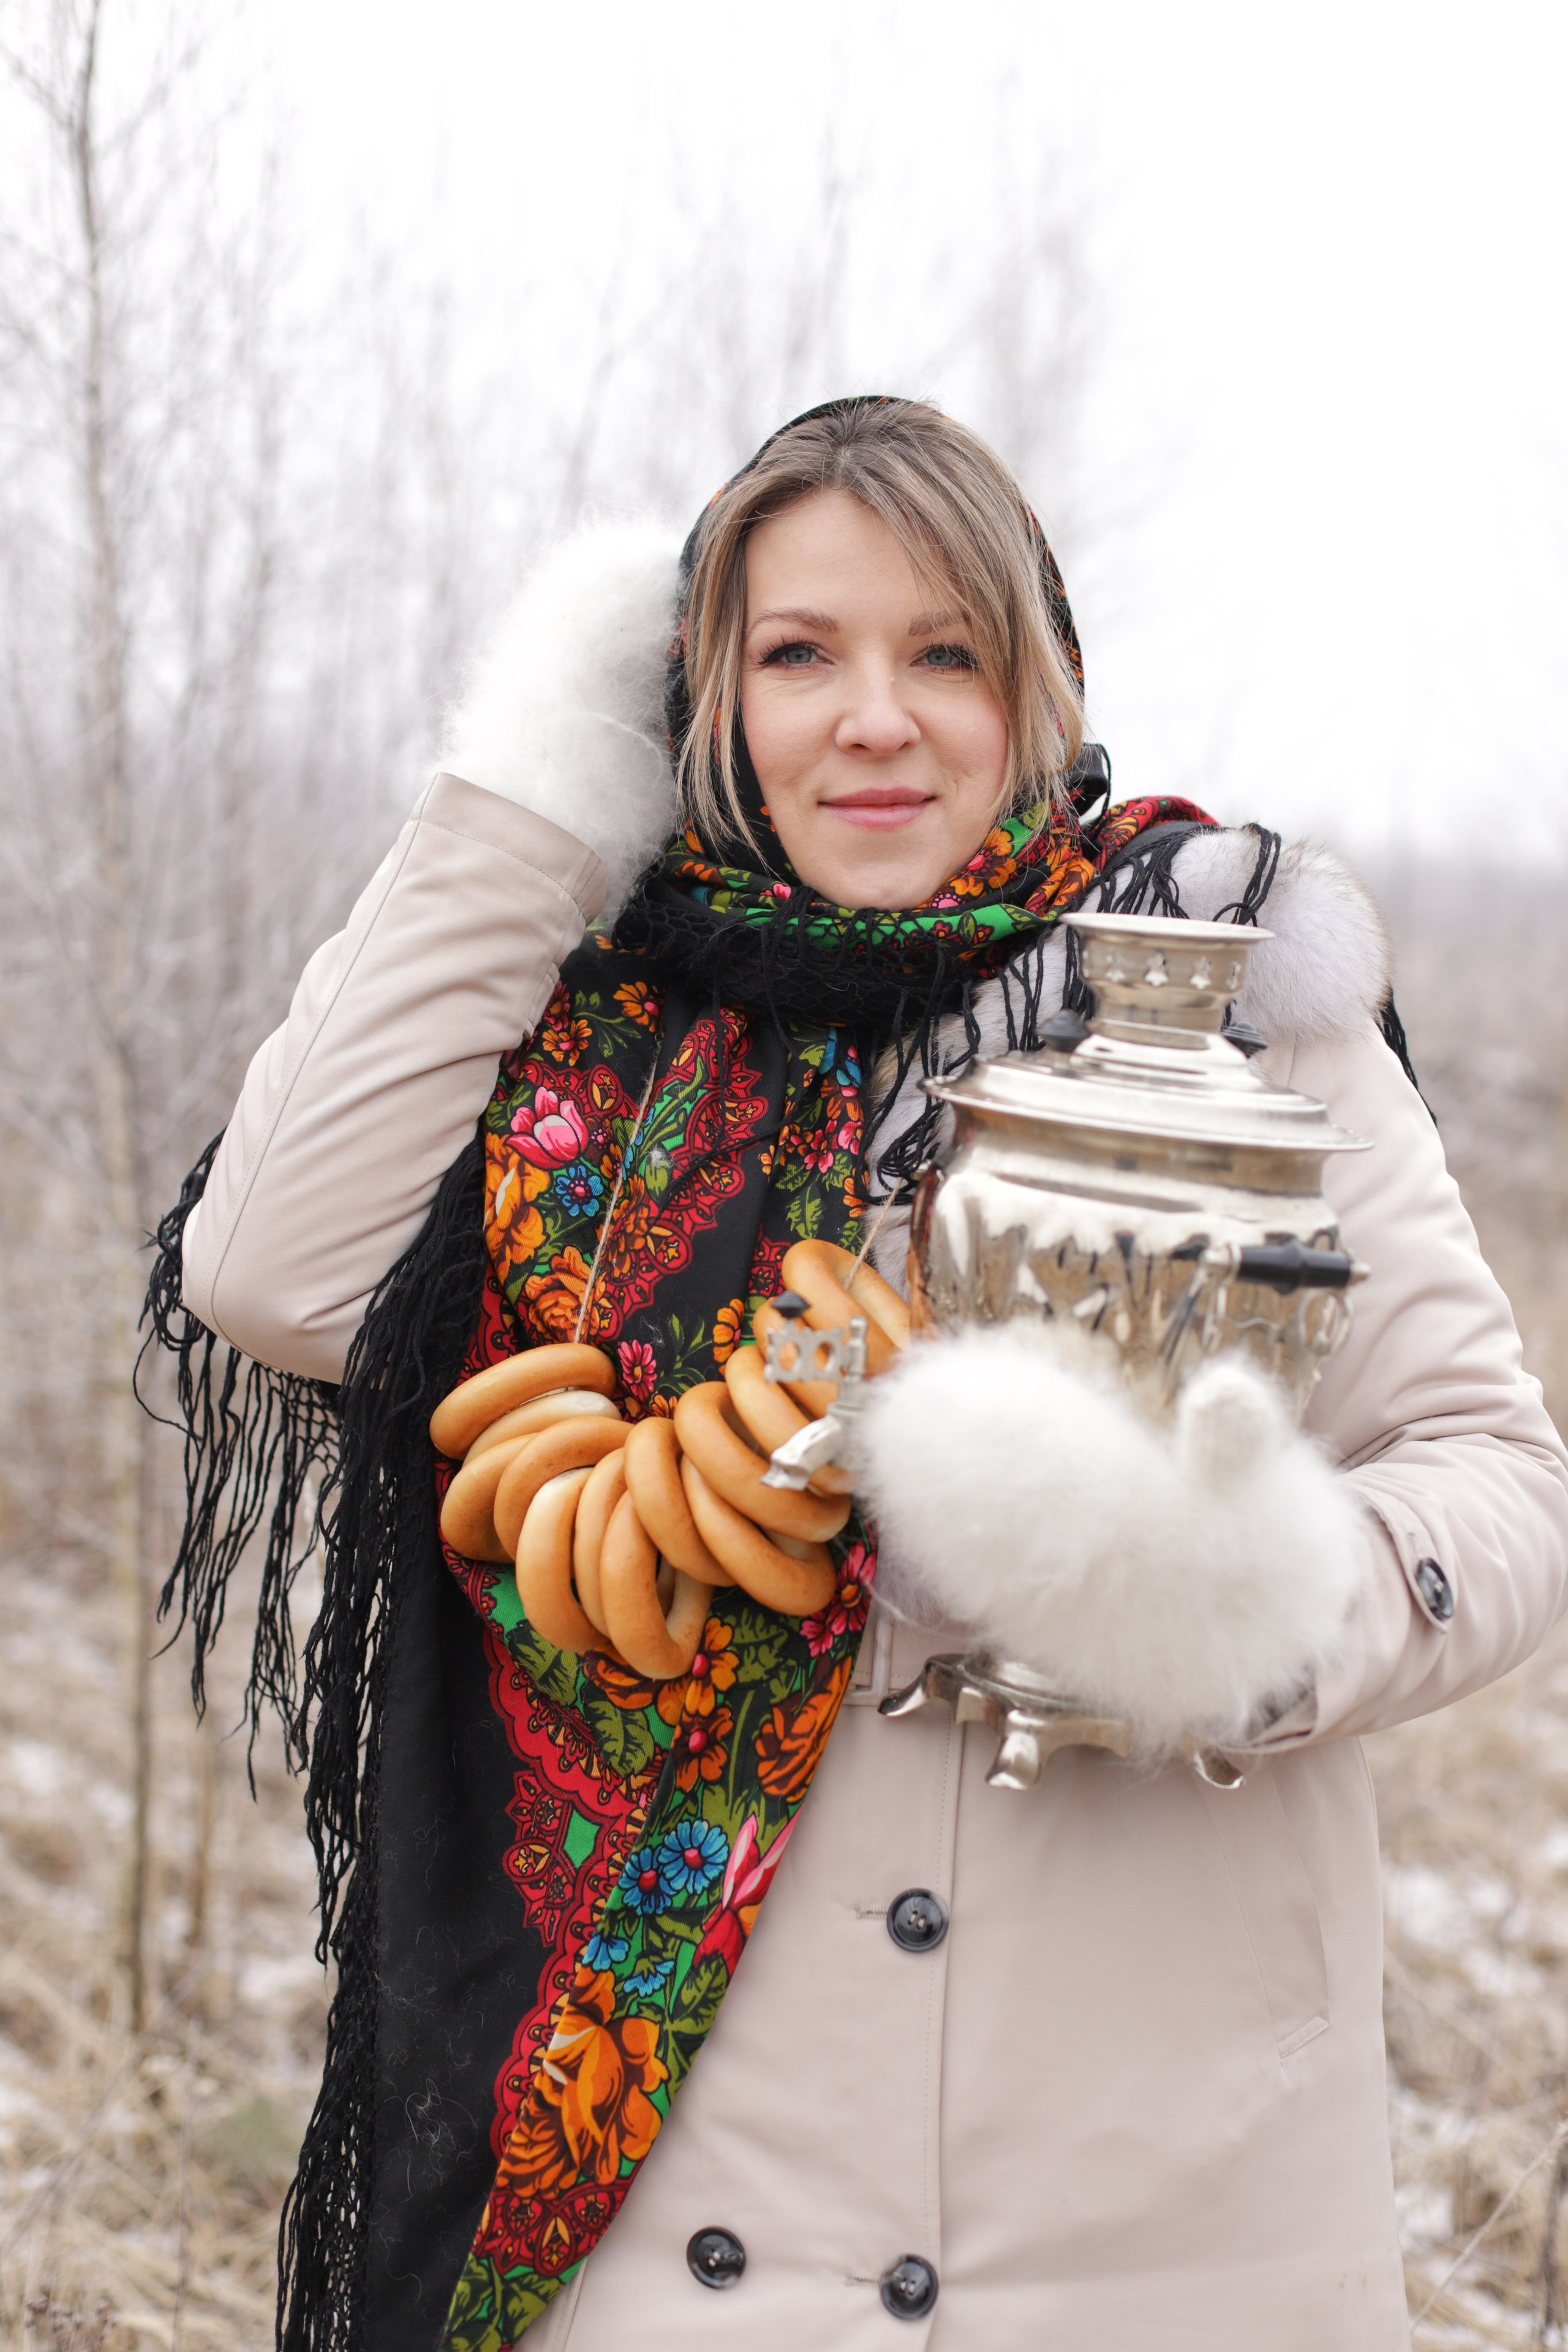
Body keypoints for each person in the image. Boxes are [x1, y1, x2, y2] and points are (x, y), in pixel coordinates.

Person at [151, 396, 1568, 2351]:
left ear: (1039, 686)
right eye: (797, 652)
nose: (873, 718)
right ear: (704, 698)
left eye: (945, 652)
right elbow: (271, 1267)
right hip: (687, 2226)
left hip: (1163, 2228)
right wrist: (545, 779)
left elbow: (1495, 1474)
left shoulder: (1229, 1004)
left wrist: (1231, 1607)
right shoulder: (603, 1050)